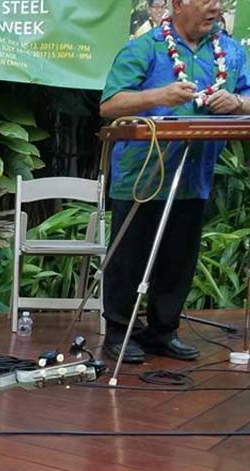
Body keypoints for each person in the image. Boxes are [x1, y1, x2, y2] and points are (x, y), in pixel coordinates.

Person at [100, 0, 250, 363]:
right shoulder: (145, 47)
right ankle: (119, 332)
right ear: (178, 4)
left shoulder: (230, 52)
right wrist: (160, 96)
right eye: (206, 0)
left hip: (194, 174)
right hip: (142, 174)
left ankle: (163, 331)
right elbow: (109, 105)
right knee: (129, 257)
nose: (215, 7)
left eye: (218, 1)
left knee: (179, 258)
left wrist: (237, 102)